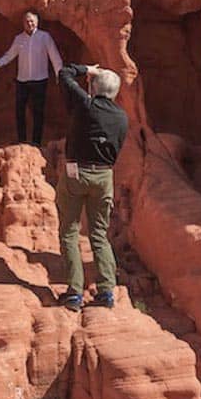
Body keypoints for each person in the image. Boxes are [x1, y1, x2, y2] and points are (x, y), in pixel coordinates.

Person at [56, 63, 128, 311]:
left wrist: (87, 69)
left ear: (94, 87)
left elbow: (64, 73)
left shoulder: (85, 105)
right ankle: (107, 291)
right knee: (99, 234)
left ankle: (75, 292)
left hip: (77, 173)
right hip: (104, 176)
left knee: (69, 231)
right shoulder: (122, 117)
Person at [0, 11, 63, 147]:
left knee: (38, 111)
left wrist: (60, 74)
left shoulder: (44, 37)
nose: (29, 23)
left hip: (40, 80)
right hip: (22, 80)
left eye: (32, 21)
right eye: (27, 21)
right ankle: (22, 140)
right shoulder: (19, 39)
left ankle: (36, 142)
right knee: (20, 111)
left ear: (37, 22)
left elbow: (54, 56)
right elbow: (10, 54)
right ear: (23, 23)